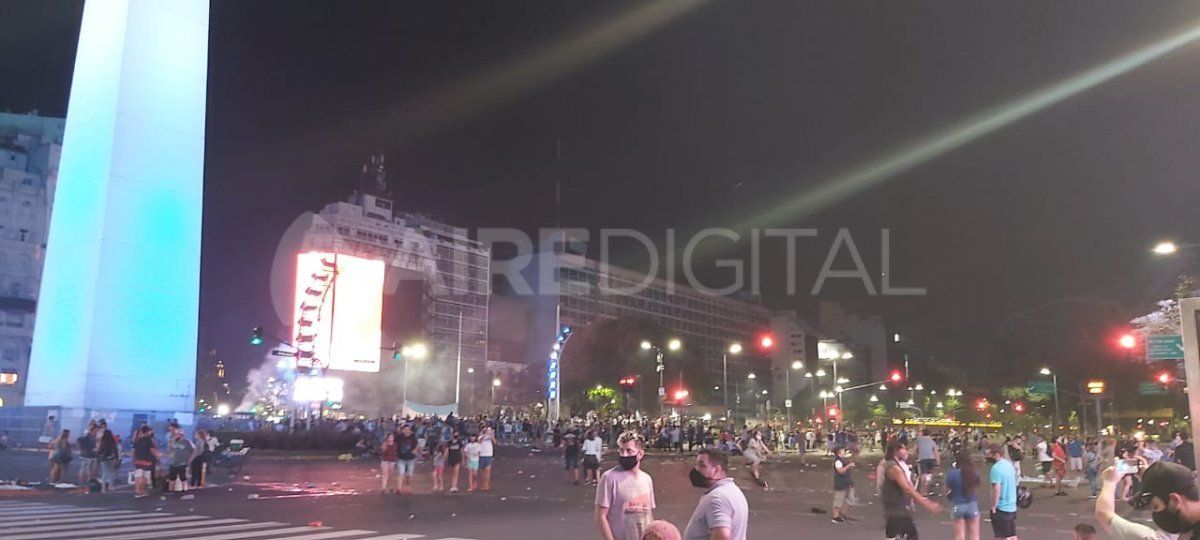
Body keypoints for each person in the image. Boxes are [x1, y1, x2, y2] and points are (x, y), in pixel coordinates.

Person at [1096, 460, 1200, 539]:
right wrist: (1152, 477)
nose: (1154, 513)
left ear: (1175, 500)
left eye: (1156, 507)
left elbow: (1103, 513)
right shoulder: (1187, 525)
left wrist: (1109, 482)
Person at [595, 432, 656, 540]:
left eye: (629, 451)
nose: (624, 455)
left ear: (640, 454)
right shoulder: (609, 478)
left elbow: (649, 514)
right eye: (621, 450)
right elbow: (601, 516)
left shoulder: (647, 479)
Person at [881, 439, 942, 539]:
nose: (906, 451)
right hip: (896, 510)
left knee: (901, 535)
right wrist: (927, 503)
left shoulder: (895, 465)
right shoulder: (893, 467)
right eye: (903, 449)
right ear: (896, 451)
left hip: (897, 509)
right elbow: (907, 489)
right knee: (909, 535)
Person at [683, 449, 748, 540]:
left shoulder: (717, 498)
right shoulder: (733, 490)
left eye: (702, 465)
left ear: (716, 470)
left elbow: (722, 536)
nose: (696, 469)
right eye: (696, 465)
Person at [946, 449, 981, 540]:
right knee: (974, 535)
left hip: (957, 504)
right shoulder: (974, 473)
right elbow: (976, 488)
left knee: (959, 535)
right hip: (972, 504)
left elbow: (946, 489)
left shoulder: (952, 474)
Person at [987, 443, 1019, 540]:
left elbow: (996, 490)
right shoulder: (1009, 465)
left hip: (1001, 506)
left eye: (989, 454)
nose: (987, 457)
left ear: (996, 454)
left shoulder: (996, 469)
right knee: (1011, 534)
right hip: (1012, 505)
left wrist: (993, 506)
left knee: (1001, 536)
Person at [131, 425, 158, 498]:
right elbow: (152, 450)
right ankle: (142, 491)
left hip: (137, 460)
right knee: (144, 477)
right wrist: (158, 456)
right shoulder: (148, 440)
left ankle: (137, 492)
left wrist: (133, 458)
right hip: (146, 461)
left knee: (138, 476)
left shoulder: (137, 440)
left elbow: (133, 451)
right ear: (147, 432)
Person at [830, 445, 856, 523]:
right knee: (838, 501)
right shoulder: (838, 461)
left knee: (851, 500)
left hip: (847, 483)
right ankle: (835, 516)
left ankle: (843, 514)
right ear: (839, 453)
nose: (844, 452)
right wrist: (848, 466)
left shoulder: (843, 460)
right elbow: (840, 471)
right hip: (841, 484)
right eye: (843, 451)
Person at [166, 427, 194, 492]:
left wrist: (189, 460)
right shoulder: (172, 441)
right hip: (173, 463)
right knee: (172, 478)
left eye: (177, 434)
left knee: (183, 478)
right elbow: (169, 450)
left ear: (181, 435)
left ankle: (184, 490)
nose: (176, 435)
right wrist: (170, 443)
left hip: (182, 463)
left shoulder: (186, 442)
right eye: (175, 434)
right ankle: (170, 491)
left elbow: (192, 451)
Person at [915, 429, 940, 496]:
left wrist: (918, 456)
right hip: (932, 459)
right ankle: (928, 487)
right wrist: (938, 461)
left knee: (923, 474)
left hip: (923, 459)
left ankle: (923, 492)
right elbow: (936, 452)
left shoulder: (919, 440)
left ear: (922, 433)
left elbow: (916, 449)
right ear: (930, 434)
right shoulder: (932, 441)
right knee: (930, 474)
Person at [395, 425, 418, 494]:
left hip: (411, 458)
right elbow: (394, 443)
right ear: (403, 430)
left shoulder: (413, 437)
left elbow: (417, 445)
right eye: (405, 429)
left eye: (408, 429)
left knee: (409, 474)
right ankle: (399, 488)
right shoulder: (399, 437)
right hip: (401, 458)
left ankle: (407, 487)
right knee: (401, 473)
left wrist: (415, 450)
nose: (406, 431)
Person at [76, 422, 98, 488]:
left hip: (92, 455)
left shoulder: (93, 437)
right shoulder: (87, 436)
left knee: (91, 469)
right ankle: (81, 483)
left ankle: (88, 481)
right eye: (95, 430)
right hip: (86, 455)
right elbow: (79, 440)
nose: (96, 432)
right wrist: (81, 449)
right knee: (84, 469)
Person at [479, 426, 495, 491]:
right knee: (483, 471)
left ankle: (486, 484)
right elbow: (480, 441)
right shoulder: (480, 436)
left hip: (489, 455)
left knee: (487, 471)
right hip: (482, 455)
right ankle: (483, 484)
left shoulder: (490, 437)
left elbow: (495, 442)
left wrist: (491, 435)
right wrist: (484, 434)